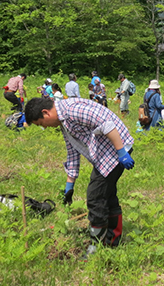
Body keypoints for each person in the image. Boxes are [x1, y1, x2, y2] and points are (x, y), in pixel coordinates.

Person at [24, 97, 135, 252]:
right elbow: (73, 151)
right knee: (106, 195)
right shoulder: (63, 122)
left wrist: (121, 152)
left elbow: (107, 124)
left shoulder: (71, 110)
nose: (46, 127)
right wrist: (70, 184)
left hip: (115, 148)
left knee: (95, 196)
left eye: (41, 124)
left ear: (46, 113)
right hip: (106, 152)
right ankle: (112, 241)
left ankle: (97, 245)